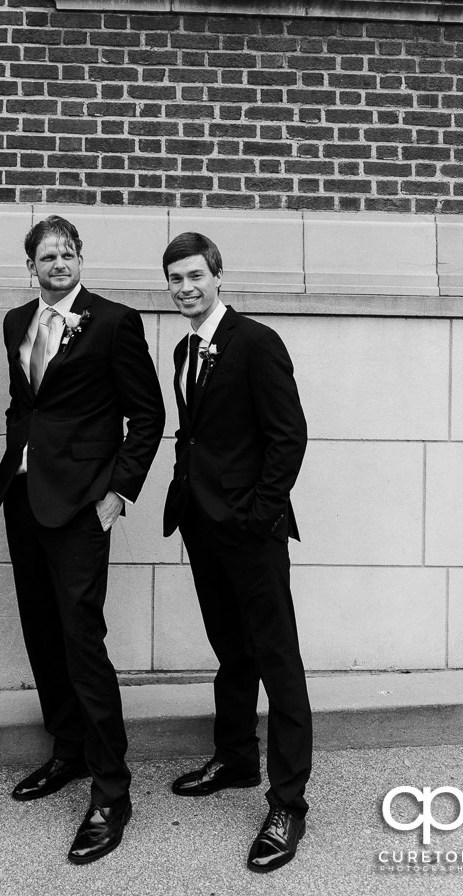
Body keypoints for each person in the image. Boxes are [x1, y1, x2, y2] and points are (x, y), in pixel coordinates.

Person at [0, 215, 165, 865]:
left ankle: (112, 792)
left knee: (81, 640)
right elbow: (22, 404)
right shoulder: (15, 322)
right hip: (25, 503)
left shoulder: (114, 322)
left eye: (66, 254)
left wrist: (118, 492)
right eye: (46, 256)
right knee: (42, 632)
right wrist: (15, 460)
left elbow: (147, 413)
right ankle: (67, 749)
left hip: (82, 509)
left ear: (80, 259)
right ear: (30, 266)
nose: (57, 264)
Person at [161, 231, 312, 874]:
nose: (186, 288)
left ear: (219, 276)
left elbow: (289, 436)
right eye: (175, 279)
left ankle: (288, 802)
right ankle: (235, 756)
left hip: (250, 529)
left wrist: (258, 515)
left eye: (195, 275)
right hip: (202, 523)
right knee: (231, 648)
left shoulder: (256, 342)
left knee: (276, 657)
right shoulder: (183, 348)